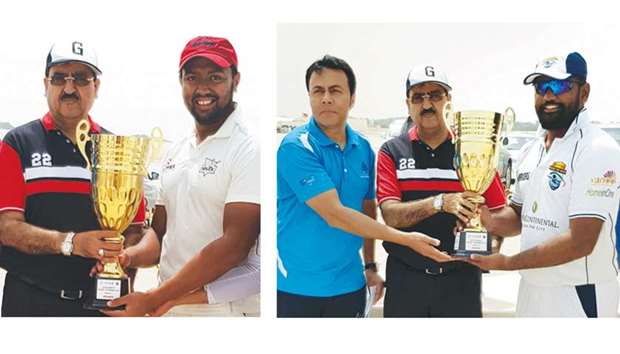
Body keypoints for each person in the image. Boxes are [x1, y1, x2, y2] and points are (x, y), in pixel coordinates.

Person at [276, 55, 452, 318]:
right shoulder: (296, 147)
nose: (326, 98)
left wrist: (370, 265)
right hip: (297, 288)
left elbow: (367, 208)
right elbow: (335, 215)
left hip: (350, 285)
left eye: (335, 90)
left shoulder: (363, 149)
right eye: (318, 91)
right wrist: (406, 239)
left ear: (352, 98)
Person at [103, 36, 260, 317]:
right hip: (169, 309)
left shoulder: (249, 147)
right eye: (192, 77)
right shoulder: (176, 151)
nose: (202, 88)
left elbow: (234, 245)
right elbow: (160, 233)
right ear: (181, 82)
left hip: (222, 312)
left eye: (215, 77)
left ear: (235, 80)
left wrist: (153, 298)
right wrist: (128, 256)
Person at [469, 52, 620, 317]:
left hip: (579, 294)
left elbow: (581, 241)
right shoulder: (532, 149)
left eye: (560, 86)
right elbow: (518, 216)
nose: (548, 96)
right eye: (541, 87)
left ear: (584, 92)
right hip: (532, 289)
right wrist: (484, 218)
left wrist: (508, 262)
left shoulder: (597, 149)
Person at [0, 40, 145, 316]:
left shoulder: (117, 149)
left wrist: (121, 267)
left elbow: (135, 230)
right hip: (29, 302)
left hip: (99, 307)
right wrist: (72, 243)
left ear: (96, 87)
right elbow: (6, 227)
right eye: (59, 78)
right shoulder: (17, 143)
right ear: (46, 85)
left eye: (80, 78)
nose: (69, 88)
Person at [376, 65, 506, 317]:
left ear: (449, 101)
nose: (427, 104)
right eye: (418, 97)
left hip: (461, 283)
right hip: (406, 281)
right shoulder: (391, 151)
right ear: (408, 104)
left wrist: (488, 243)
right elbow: (390, 215)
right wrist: (440, 202)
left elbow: (500, 215)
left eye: (436, 95)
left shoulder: (473, 149)